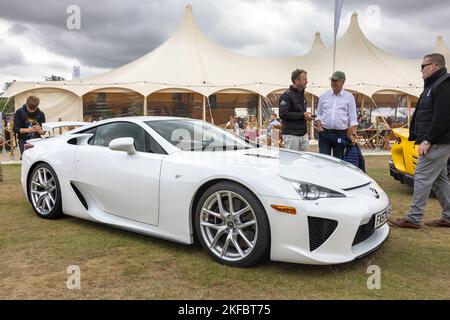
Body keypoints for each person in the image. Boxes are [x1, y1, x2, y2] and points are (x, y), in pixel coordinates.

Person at [390, 53, 450, 229]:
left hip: (436, 141)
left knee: (422, 177)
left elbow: (442, 117)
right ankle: (448, 216)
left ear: (434, 66)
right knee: (440, 180)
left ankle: (414, 218)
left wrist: (428, 140)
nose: (421, 70)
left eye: (423, 66)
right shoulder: (433, 85)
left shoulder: (444, 85)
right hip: (436, 141)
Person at [316, 71, 358, 159]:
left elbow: (353, 118)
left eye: (336, 81)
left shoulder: (349, 97)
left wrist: (353, 135)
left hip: (341, 134)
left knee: (338, 161)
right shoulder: (324, 95)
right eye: (332, 80)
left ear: (343, 82)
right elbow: (318, 114)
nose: (333, 83)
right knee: (323, 160)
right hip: (325, 133)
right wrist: (320, 128)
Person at [279, 69, 313, 151]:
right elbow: (283, 114)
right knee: (291, 162)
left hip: (303, 134)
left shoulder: (302, 95)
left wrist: (306, 116)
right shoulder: (286, 95)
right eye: (304, 79)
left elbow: (300, 113)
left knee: (305, 161)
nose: (307, 81)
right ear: (296, 81)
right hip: (291, 135)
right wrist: (303, 115)